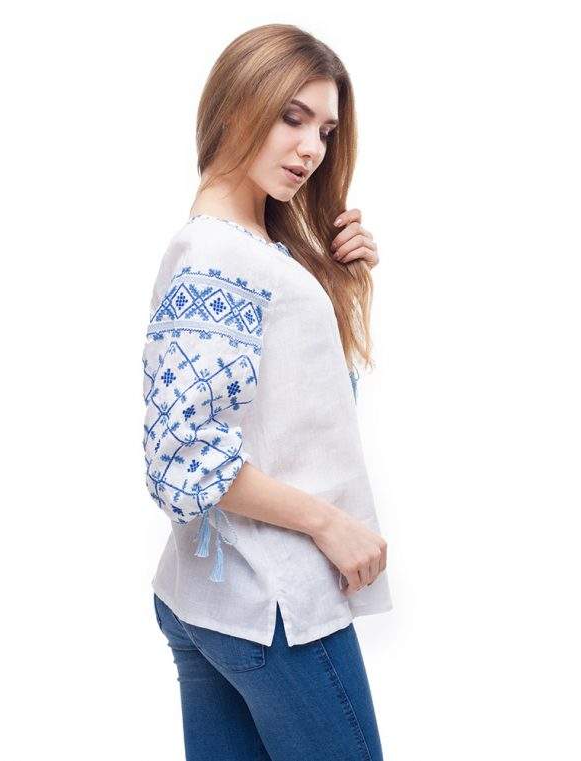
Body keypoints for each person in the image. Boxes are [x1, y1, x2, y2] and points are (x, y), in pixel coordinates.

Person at [143, 23, 393, 761]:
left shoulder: (254, 248)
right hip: (275, 603)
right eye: (292, 117)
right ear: (235, 104)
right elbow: (182, 456)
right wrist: (330, 523)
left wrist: (341, 281)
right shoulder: (218, 255)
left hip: (214, 596)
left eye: (325, 130)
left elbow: (300, 410)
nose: (312, 148)